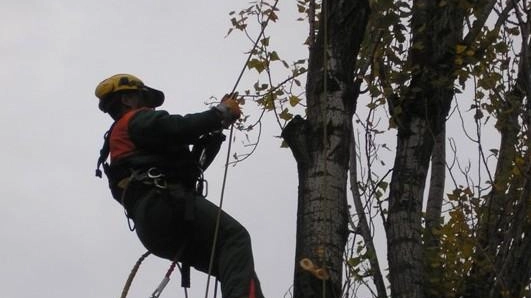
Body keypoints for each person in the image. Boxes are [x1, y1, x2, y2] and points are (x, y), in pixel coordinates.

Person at [93, 74, 264, 298]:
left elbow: (188, 165)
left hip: (153, 227)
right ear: (127, 100)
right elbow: (179, 127)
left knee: (230, 262)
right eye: (144, 99)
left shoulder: (126, 145)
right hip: (165, 204)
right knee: (235, 238)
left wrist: (214, 129)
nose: (151, 108)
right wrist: (219, 113)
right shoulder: (136, 121)